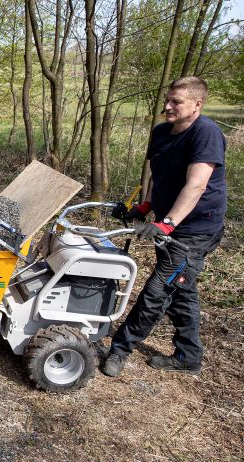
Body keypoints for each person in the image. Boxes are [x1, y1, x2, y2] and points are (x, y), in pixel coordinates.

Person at [103, 76, 226, 377]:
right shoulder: (161, 133)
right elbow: (158, 176)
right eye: (167, 100)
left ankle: (120, 349)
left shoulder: (205, 133)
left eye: (176, 102)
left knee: (157, 292)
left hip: (195, 230)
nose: (168, 106)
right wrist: (146, 207)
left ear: (197, 104)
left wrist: (167, 224)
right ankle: (189, 356)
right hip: (169, 223)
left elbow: (196, 185)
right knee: (181, 290)